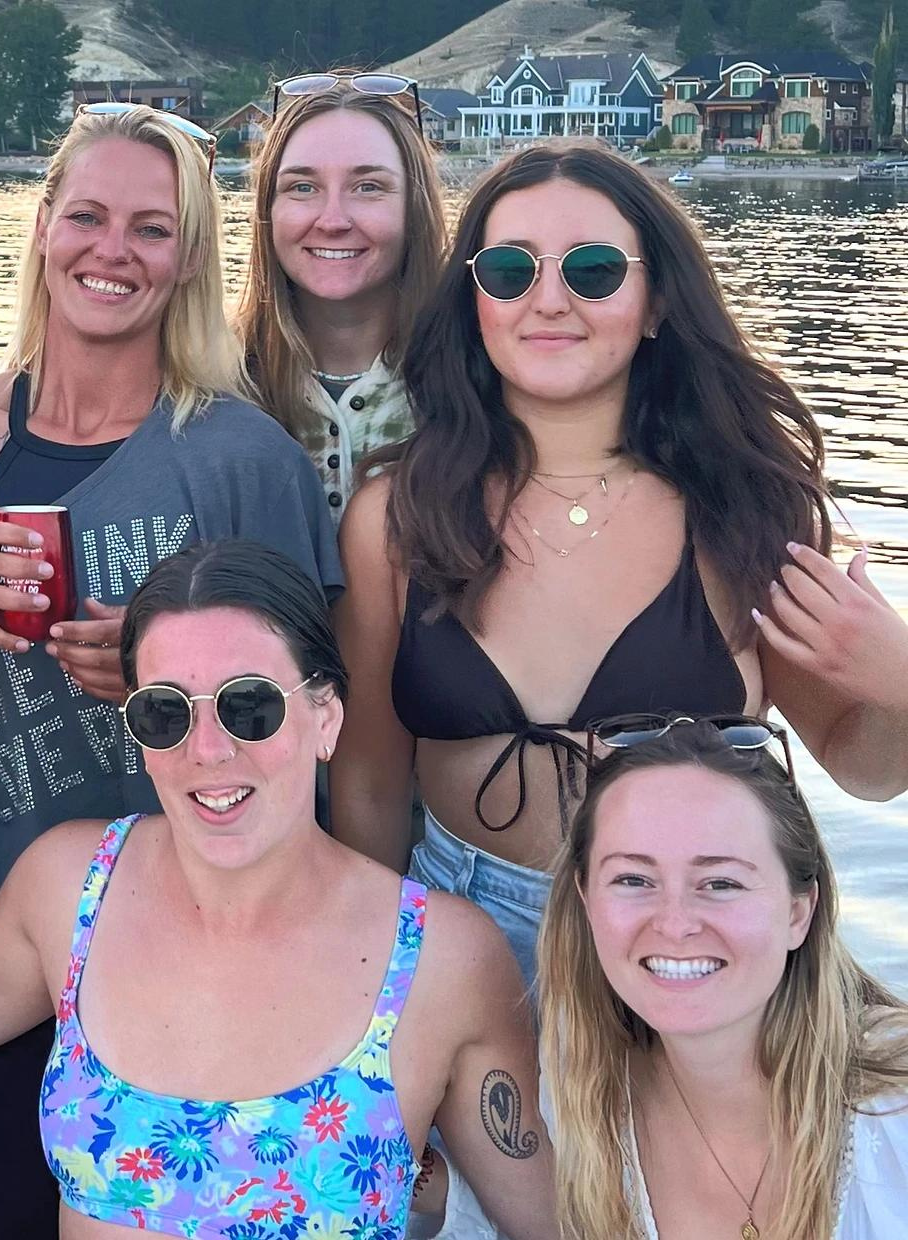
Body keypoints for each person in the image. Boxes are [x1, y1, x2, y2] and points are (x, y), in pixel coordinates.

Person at [0, 104, 341, 1237]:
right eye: (85, 216)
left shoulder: (243, 458)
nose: (109, 251)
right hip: (6, 947)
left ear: (186, 261)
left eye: (149, 229)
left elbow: (312, 719)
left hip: (208, 947)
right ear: (41, 227)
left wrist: (170, 687)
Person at [0, 541, 558, 1240]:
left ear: (326, 717)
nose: (208, 749)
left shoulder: (444, 958)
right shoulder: (70, 888)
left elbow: (549, 1218)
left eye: (249, 706)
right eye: (165, 712)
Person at [332, 138, 908, 990]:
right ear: (475, 301)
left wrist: (897, 677)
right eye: (509, 270)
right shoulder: (395, 518)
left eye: (595, 270)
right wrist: (366, 981)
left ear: (655, 303)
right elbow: (372, 783)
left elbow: (863, 766)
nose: (550, 300)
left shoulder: (741, 508)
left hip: (691, 950)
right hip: (461, 941)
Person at [537, 719, 908, 1238]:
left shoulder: (894, 1115)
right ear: (585, 899)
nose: (674, 923)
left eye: (720, 882)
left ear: (798, 912)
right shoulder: (582, 1088)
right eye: (632, 879)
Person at [236, 72, 445, 516]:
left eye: (367, 187)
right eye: (302, 187)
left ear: (415, 205)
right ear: (267, 211)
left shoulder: (479, 382)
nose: (332, 219)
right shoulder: (218, 387)